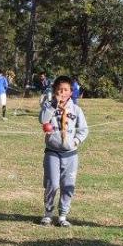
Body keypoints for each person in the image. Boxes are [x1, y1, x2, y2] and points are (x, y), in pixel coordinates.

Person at [40, 75, 90, 227]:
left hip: (70, 154)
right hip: (52, 152)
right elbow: (43, 120)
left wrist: (75, 141)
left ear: (71, 92)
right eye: (59, 89)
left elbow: (83, 130)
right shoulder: (48, 106)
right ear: (54, 91)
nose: (62, 92)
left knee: (68, 185)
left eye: (66, 90)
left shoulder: (76, 109)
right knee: (52, 184)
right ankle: (48, 213)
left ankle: (63, 215)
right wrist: (53, 105)